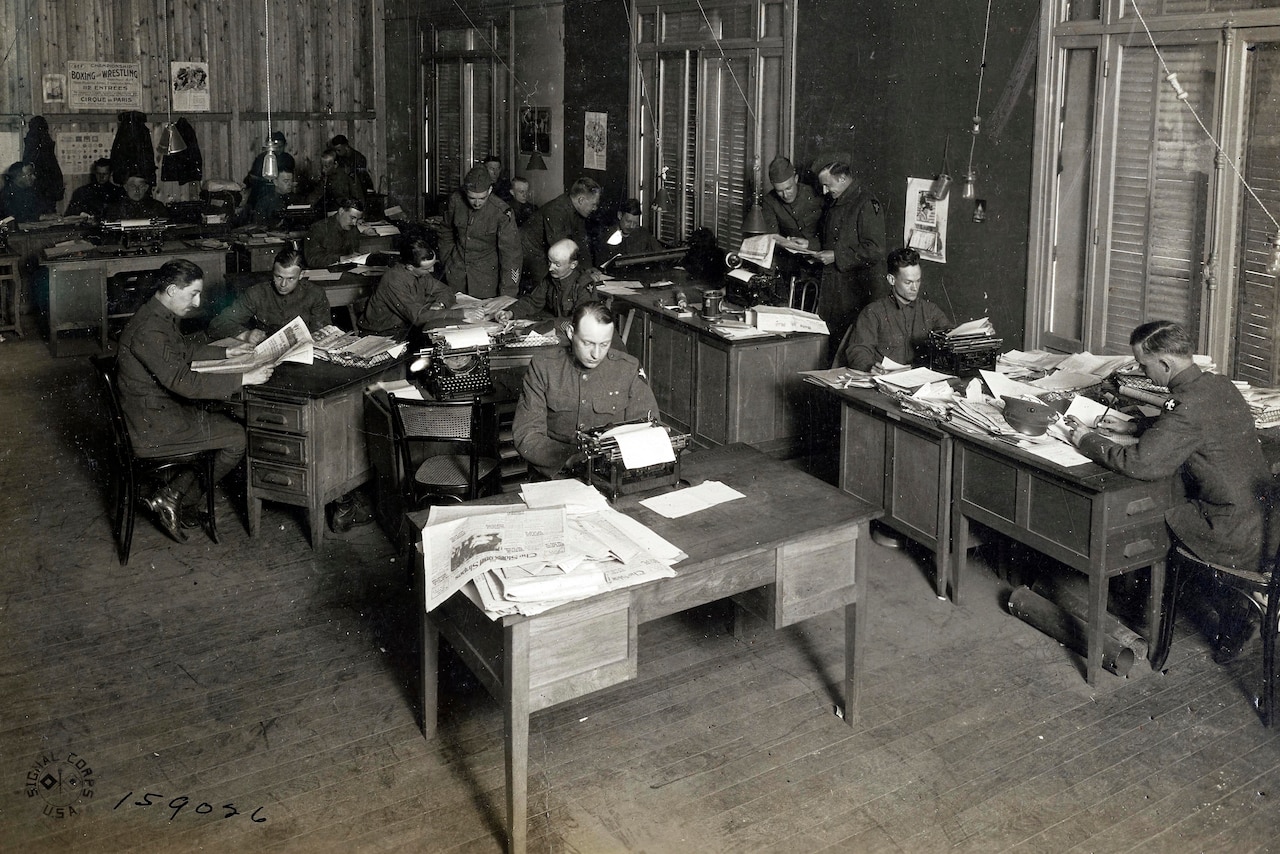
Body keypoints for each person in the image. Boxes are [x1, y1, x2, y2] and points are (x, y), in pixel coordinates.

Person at [1065, 320, 1271, 663]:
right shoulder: (1218, 385)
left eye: (1144, 366)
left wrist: (1086, 440)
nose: (1143, 374)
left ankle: (1192, 611)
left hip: (1228, 528)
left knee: (1150, 514)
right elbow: (1195, 425)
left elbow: (1142, 463)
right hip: (1259, 519)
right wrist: (1134, 424)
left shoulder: (1186, 406)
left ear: (1165, 364)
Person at [116, 259, 273, 542]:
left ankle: (176, 496)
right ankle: (175, 497)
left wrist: (226, 354)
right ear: (173, 290)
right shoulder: (149, 329)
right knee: (236, 436)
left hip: (156, 412)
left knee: (221, 419)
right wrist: (244, 379)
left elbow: (182, 351)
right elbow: (183, 383)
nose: (197, 302)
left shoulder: (155, 316)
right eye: (193, 294)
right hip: (152, 426)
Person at [513, 301, 659, 479]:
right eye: (588, 343)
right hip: (556, 473)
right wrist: (570, 458)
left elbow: (648, 428)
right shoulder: (544, 367)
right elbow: (527, 436)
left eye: (604, 344)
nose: (596, 354)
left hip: (611, 473)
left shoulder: (627, 368)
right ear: (571, 333)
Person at [812, 152, 886, 352]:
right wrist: (809, 245)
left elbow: (875, 249)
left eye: (828, 185)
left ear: (843, 178)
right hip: (835, 292)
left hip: (854, 293)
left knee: (848, 349)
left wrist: (836, 256)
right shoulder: (837, 201)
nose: (825, 191)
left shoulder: (866, 203)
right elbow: (832, 239)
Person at [832, 247, 951, 370]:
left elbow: (950, 335)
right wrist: (870, 367)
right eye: (908, 282)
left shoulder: (930, 310)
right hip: (885, 379)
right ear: (891, 279)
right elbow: (858, 350)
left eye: (918, 281)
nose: (915, 288)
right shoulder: (873, 312)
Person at [360, 235, 484, 336]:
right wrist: (461, 313)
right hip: (383, 333)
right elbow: (418, 317)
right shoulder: (393, 280)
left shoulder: (420, 273)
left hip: (404, 326)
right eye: (427, 268)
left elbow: (445, 291)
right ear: (410, 267)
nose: (432, 271)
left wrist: (439, 304)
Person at [209, 247, 331, 342]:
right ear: (272, 272)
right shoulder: (256, 293)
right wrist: (246, 334)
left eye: (290, 279)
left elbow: (322, 331)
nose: (283, 284)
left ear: (301, 275)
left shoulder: (315, 294)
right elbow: (218, 323)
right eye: (278, 277)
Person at [438, 164, 522, 299]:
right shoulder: (455, 201)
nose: (477, 203)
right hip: (455, 277)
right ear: (465, 191)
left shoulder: (502, 212)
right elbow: (445, 231)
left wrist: (507, 294)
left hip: (486, 283)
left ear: (489, 190)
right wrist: (448, 259)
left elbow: (511, 256)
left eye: (482, 198)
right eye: (472, 198)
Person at [521, 176, 603, 288]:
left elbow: (582, 242)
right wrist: (583, 274)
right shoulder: (556, 211)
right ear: (581, 200)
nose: (595, 208)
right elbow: (561, 252)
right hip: (529, 254)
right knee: (552, 287)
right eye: (593, 204)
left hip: (544, 252)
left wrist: (588, 268)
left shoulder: (578, 211)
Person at [511, 238, 598, 320]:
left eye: (557, 264)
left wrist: (543, 326)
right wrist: (511, 312)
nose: (550, 268)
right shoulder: (551, 278)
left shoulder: (583, 285)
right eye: (549, 262)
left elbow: (578, 321)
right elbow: (533, 302)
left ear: (573, 265)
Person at [761, 156, 822, 251]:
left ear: (796, 179)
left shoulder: (814, 194)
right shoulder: (769, 201)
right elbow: (772, 236)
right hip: (790, 258)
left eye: (788, 188)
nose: (785, 195)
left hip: (819, 254)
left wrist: (811, 244)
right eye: (779, 191)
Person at [303, 198, 365, 267]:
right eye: (352, 218)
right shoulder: (319, 228)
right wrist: (340, 258)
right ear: (341, 211)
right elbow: (312, 260)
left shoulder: (353, 229)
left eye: (357, 219)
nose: (354, 223)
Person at [243, 131, 295, 211]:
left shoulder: (288, 159)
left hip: (280, 191)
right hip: (262, 190)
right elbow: (251, 178)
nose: (278, 149)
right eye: (275, 146)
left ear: (284, 146)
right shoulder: (263, 158)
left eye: (280, 146)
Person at [311, 148, 362, 215]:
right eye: (322, 166)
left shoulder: (342, 178)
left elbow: (342, 200)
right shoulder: (327, 176)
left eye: (326, 166)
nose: (323, 170)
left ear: (335, 164)